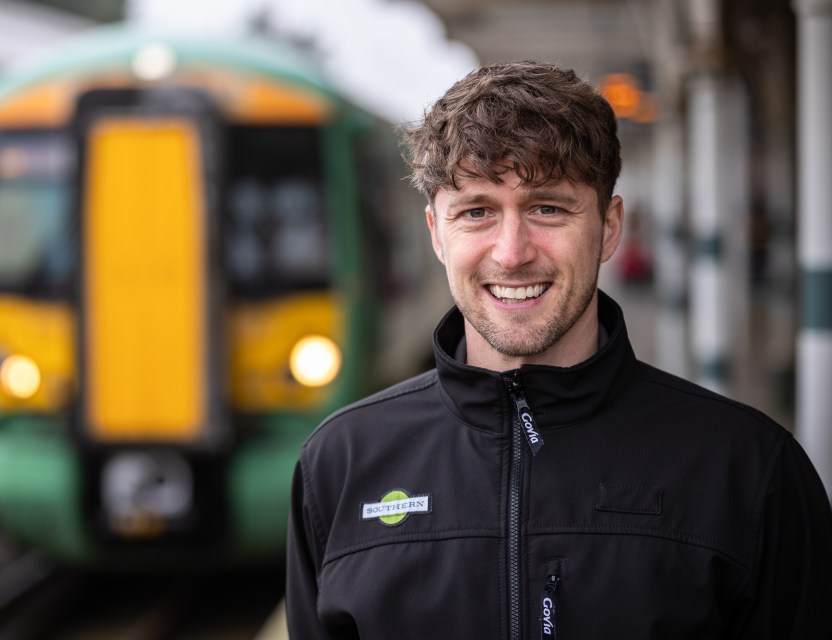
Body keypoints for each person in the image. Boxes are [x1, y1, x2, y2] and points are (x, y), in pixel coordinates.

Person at [286, 61, 832, 639]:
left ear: (609, 226)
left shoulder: (747, 468)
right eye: (477, 212)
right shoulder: (340, 465)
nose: (512, 251)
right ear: (435, 234)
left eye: (548, 207)